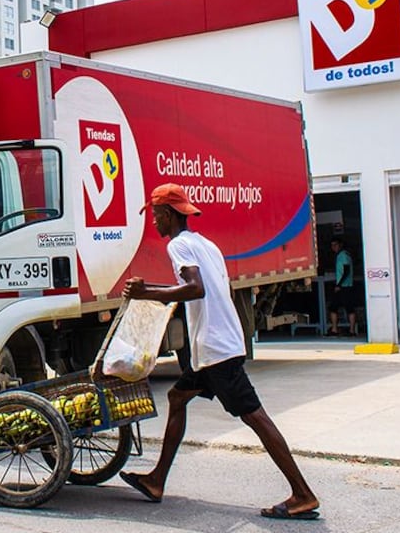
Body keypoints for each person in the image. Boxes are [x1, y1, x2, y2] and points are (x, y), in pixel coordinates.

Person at [117, 183, 320, 521]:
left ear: (168, 215)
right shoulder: (205, 244)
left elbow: (195, 289)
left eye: (155, 216)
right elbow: (208, 288)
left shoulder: (179, 246)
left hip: (216, 351)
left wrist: (147, 293)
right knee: (178, 397)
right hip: (213, 347)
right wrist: (151, 291)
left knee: (255, 417)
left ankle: (302, 493)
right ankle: (156, 480)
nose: (153, 222)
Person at [326, 237, 358, 336]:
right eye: (332, 245)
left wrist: (339, 284)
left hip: (344, 286)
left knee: (347, 308)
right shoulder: (342, 255)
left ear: (340, 245)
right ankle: (335, 329)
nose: (333, 247)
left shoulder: (343, 255)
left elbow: (346, 271)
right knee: (335, 307)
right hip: (345, 285)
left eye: (335, 245)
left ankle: (351, 330)